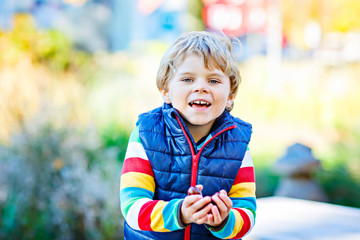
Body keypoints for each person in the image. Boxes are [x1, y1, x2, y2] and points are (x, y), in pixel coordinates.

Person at [120, 31, 256, 240]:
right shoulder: (146, 135)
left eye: (213, 81)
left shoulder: (237, 143)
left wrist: (224, 221)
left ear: (230, 95)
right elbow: (132, 207)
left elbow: (247, 213)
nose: (200, 87)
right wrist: (179, 213)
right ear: (166, 90)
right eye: (187, 79)